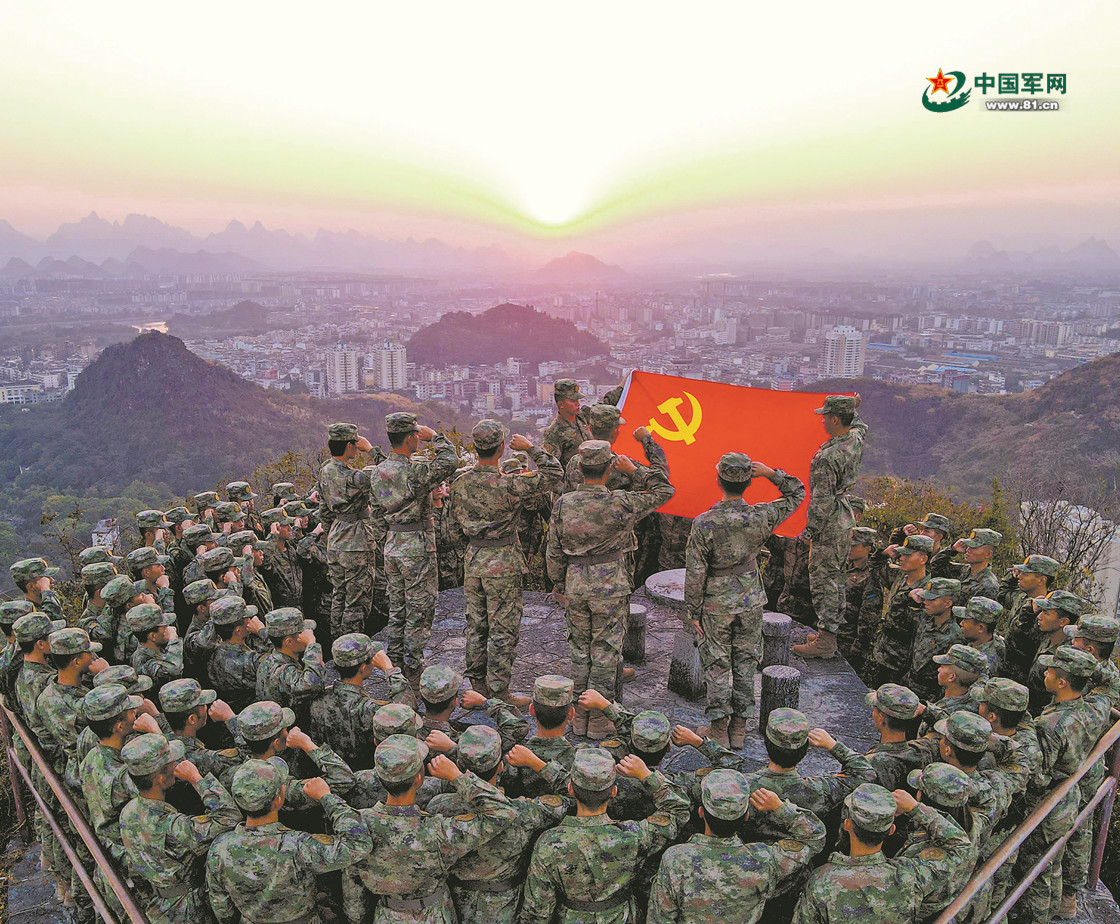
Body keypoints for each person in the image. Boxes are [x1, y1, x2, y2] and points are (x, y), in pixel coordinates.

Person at [547, 437, 675, 737]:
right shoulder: (621, 502)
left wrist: (559, 582)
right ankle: (599, 719)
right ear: (608, 470)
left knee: (580, 650)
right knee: (605, 653)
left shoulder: (564, 504)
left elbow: (553, 551)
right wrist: (634, 470)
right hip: (610, 586)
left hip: (576, 583)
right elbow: (665, 490)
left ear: (580, 468)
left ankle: (579, 716)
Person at [684, 452, 804, 747]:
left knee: (717, 665)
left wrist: (693, 612)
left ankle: (718, 730)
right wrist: (771, 473)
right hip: (750, 600)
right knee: (746, 663)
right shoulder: (760, 516)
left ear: (718, 480)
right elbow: (797, 493)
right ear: (749, 482)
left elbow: (696, 572)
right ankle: (738, 729)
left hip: (716, 603)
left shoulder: (705, 522)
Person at [342, 734, 517, 922]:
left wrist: (359, 918)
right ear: (419, 779)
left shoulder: (357, 826)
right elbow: (502, 812)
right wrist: (457, 776)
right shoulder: (437, 831)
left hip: (387, 915)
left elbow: (354, 899)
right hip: (435, 915)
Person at [449, 419, 563, 706]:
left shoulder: (460, 483)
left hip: (474, 561)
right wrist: (531, 448)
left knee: (476, 626)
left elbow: (453, 530)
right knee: (503, 629)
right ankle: (499, 692)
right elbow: (554, 473)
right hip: (503, 562)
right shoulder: (510, 484)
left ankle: (477, 685)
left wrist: (471, 551)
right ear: (501, 448)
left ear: (475, 447)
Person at [520, 748, 690, 924]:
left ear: (570, 789)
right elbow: (678, 810)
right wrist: (646, 775)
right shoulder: (634, 836)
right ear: (614, 791)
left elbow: (537, 911)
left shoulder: (548, 843)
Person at [428, 725, 570, 923]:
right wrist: (537, 764)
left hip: (454, 904)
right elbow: (572, 795)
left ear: (458, 764)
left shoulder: (439, 806)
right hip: (505, 908)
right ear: (501, 767)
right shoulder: (525, 811)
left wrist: (455, 754)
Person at [206, 758, 372, 924]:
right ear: (279, 800)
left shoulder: (219, 848)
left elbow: (221, 906)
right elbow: (357, 845)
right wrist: (327, 797)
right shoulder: (297, 846)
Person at [649, 773, 825, 924]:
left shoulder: (675, 859)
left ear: (701, 813)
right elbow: (814, 837)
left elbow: (660, 918)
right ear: (746, 816)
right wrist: (780, 808)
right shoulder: (764, 860)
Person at [792, 783, 973, 924]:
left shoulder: (821, 881)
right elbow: (960, 846)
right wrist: (915, 808)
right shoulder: (909, 875)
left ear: (847, 825)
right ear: (891, 830)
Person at [371, 413, 459, 688]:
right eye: (417, 436)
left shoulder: (378, 471)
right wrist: (436, 437)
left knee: (397, 607)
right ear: (410, 438)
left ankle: (395, 661)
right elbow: (450, 461)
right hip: (417, 546)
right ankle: (413, 667)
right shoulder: (415, 471)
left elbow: (376, 513)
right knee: (419, 609)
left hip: (393, 543)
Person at [118, 733, 242, 924]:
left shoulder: (129, 812)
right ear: (160, 778)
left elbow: (135, 868)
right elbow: (229, 817)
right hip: (187, 911)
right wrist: (197, 779)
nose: (176, 765)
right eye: (171, 764)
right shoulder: (170, 825)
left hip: (158, 906)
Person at [794, 394, 867, 660]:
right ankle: (828, 635)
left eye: (825, 416)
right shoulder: (854, 439)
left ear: (835, 419)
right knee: (836, 576)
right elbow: (860, 425)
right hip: (843, 518)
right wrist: (853, 407)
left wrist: (809, 532)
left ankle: (825, 641)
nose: (822, 420)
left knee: (825, 580)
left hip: (829, 523)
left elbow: (821, 500)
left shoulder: (827, 457)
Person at [309, 632, 411, 771]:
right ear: (363, 667)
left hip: (332, 773)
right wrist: (389, 669)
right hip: (366, 775)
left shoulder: (318, 699)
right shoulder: (369, 709)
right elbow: (407, 715)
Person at [317, 422, 378, 644]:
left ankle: (337, 643)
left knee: (339, 595)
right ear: (350, 446)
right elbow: (390, 473)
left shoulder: (325, 471)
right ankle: (352, 648)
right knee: (357, 601)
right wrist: (371, 450)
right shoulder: (355, 477)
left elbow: (324, 510)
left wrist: (329, 532)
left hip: (336, 538)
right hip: (356, 541)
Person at [254, 606, 326, 727]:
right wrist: (311, 644)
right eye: (301, 633)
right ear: (289, 642)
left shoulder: (268, 659)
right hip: (291, 729)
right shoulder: (282, 671)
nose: (307, 634)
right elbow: (313, 684)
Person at [906, 577, 963, 702]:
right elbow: (898, 613)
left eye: (932, 599)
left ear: (947, 604)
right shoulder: (925, 618)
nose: (926, 602)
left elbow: (950, 676)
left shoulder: (954, 635)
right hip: (909, 684)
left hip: (929, 696)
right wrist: (909, 595)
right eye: (925, 598)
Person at [951, 528, 1003, 603]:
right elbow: (936, 566)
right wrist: (952, 549)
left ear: (988, 554)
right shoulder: (964, 570)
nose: (968, 550)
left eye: (974, 547)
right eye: (968, 546)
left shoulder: (989, 586)